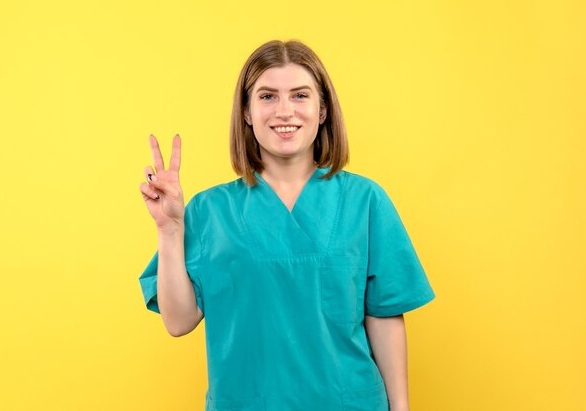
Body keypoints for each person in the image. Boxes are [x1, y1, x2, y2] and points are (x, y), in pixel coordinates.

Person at [138, 39, 435, 411]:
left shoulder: (365, 201)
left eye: (299, 95)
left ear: (322, 110)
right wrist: (168, 231)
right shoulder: (209, 210)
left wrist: (401, 407)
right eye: (266, 96)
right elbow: (178, 321)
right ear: (246, 112)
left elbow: (384, 315)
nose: (284, 111)